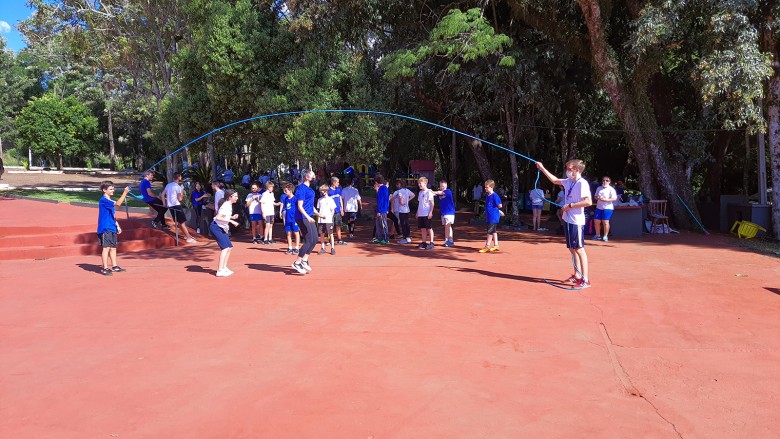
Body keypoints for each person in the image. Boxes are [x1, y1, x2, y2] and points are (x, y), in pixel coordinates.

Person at [536, 159, 592, 289]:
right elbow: (555, 180)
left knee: (579, 249)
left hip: (576, 221)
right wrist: (542, 168)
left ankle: (585, 279)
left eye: (569, 168)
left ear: (577, 170)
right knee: (572, 249)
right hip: (568, 220)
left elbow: (588, 202)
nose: (567, 171)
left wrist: (570, 205)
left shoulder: (582, 183)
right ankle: (577, 275)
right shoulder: (568, 182)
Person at [96, 181, 131, 276]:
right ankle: (105, 268)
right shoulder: (104, 200)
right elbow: (118, 204)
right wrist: (125, 193)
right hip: (105, 227)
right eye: (111, 189)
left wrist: (117, 225)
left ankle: (114, 266)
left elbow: (112, 215)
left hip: (112, 226)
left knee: (113, 248)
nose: (113, 190)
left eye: (113, 189)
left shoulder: (110, 201)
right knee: (106, 248)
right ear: (104, 190)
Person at [291, 170, 318, 274]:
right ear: (306, 176)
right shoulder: (301, 188)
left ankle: (304, 260)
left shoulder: (310, 190)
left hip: (309, 216)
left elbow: (310, 205)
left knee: (315, 239)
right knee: (308, 240)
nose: (314, 175)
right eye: (312, 174)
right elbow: (300, 206)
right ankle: (297, 262)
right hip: (302, 217)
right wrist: (308, 217)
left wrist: (318, 214)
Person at [211, 189, 240, 277]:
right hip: (216, 227)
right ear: (230, 197)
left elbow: (224, 216)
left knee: (229, 247)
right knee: (225, 248)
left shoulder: (229, 205)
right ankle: (220, 270)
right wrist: (231, 221)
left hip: (221, 227)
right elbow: (218, 217)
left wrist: (232, 217)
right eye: (235, 196)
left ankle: (224, 267)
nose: (237, 198)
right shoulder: (226, 205)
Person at [163, 172, 197, 243]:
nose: (181, 178)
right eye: (180, 176)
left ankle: (187, 235)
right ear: (179, 177)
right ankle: (188, 238)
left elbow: (162, 195)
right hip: (176, 206)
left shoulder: (168, 185)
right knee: (182, 222)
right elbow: (180, 199)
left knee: (179, 222)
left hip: (171, 206)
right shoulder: (178, 187)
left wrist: (164, 204)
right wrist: (182, 192)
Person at [480, 179, 504, 253]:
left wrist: (498, 210)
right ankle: (496, 245)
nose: (485, 188)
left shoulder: (495, 196)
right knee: (493, 230)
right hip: (489, 216)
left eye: (487, 187)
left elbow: (500, 205)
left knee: (489, 231)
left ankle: (487, 246)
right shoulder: (488, 196)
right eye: (485, 187)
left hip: (493, 217)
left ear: (491, 187)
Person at [593, 176, 618, 241]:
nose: (605, 182)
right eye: (603, 180)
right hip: (599, 207)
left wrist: (606, 200)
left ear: (609, 182)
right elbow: (595, 196)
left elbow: (614, 198)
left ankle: (605, 236)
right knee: (596, 221)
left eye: (607, 180)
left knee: (605, 222)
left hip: (608, 207)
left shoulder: (611, 189)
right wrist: (598, 198)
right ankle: (597, 235)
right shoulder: (599, 188)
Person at [432, 180, 456, 247]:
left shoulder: (448, 191)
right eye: (440, 186)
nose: (441, 187)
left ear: (446, 186)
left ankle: (447, 240)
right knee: (448, 226)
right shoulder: (439, 193)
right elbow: (434, 194)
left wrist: (432, 191)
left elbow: (439, 192)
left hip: (449, 212)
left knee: (447, 226)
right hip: (444, 212)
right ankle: (450, 240)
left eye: (442, 186)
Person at [392, 179, 415, 244]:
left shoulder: (399, 191)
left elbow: (400, 199)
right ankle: (408, 237)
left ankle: (405, 237)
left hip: (401, 210)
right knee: (407, 223)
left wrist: (401, 203)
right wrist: (408, 200)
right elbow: (413, 195)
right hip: (407, 210)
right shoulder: (407, 190)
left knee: (403, 224)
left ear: (401, 185)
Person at [280, 183, 300, 254]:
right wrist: (281, 212)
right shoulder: (285, 199)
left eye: (286, 191)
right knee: (288, 233)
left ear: (290, 190)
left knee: (296, 232)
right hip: (287, 218)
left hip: (294, 219)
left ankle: (297, 247)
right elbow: (285, 207)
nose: (285, 192)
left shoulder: (295, 198)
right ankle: (290, 247)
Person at [316, 184, 337, 255]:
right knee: (322, 234)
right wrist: (320, 216)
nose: (322, 192)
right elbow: (318, 210)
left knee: (331, 234)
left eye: (324, 191)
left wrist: (330, 217)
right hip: (321, 220)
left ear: (327, 191)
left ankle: (332, 248)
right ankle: (322, 248)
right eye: (321, 191)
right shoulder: (319, 200)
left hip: (328, 220)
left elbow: (333, 210)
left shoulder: (330, 200)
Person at [416, 176, 435, 249]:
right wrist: (417, 212)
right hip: (421, 213)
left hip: (427, 213)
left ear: (425, 183)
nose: (419, 185)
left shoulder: (429, 192)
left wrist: (430, 212)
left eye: (420, 183)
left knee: (429, 228)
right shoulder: (420, 193)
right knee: (423, 228)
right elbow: (419, 203)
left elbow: (432, 203)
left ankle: (431, 243)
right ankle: (423, 242)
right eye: (418, 183)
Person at [328, 177, 347, 245]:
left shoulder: (338, 190)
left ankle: (339, 239)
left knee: (338, 225)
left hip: (338, 210)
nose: (338, 184)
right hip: (330, 211)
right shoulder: (328, 190)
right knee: (330, 226)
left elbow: (340, 199)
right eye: (337, 182)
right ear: (333, 182)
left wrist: (342, 209)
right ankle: (330, 240)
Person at [372, 174, 390, 244]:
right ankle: (380, 238)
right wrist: (387, 208)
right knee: (378, 224)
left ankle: (385, 239)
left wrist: (379, 211)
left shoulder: (381, 189)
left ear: (376, 182)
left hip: (381, 210)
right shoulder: (385, 188)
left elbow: (380, 201)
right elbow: (387, 200)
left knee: (383, 224)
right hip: (383, 209)